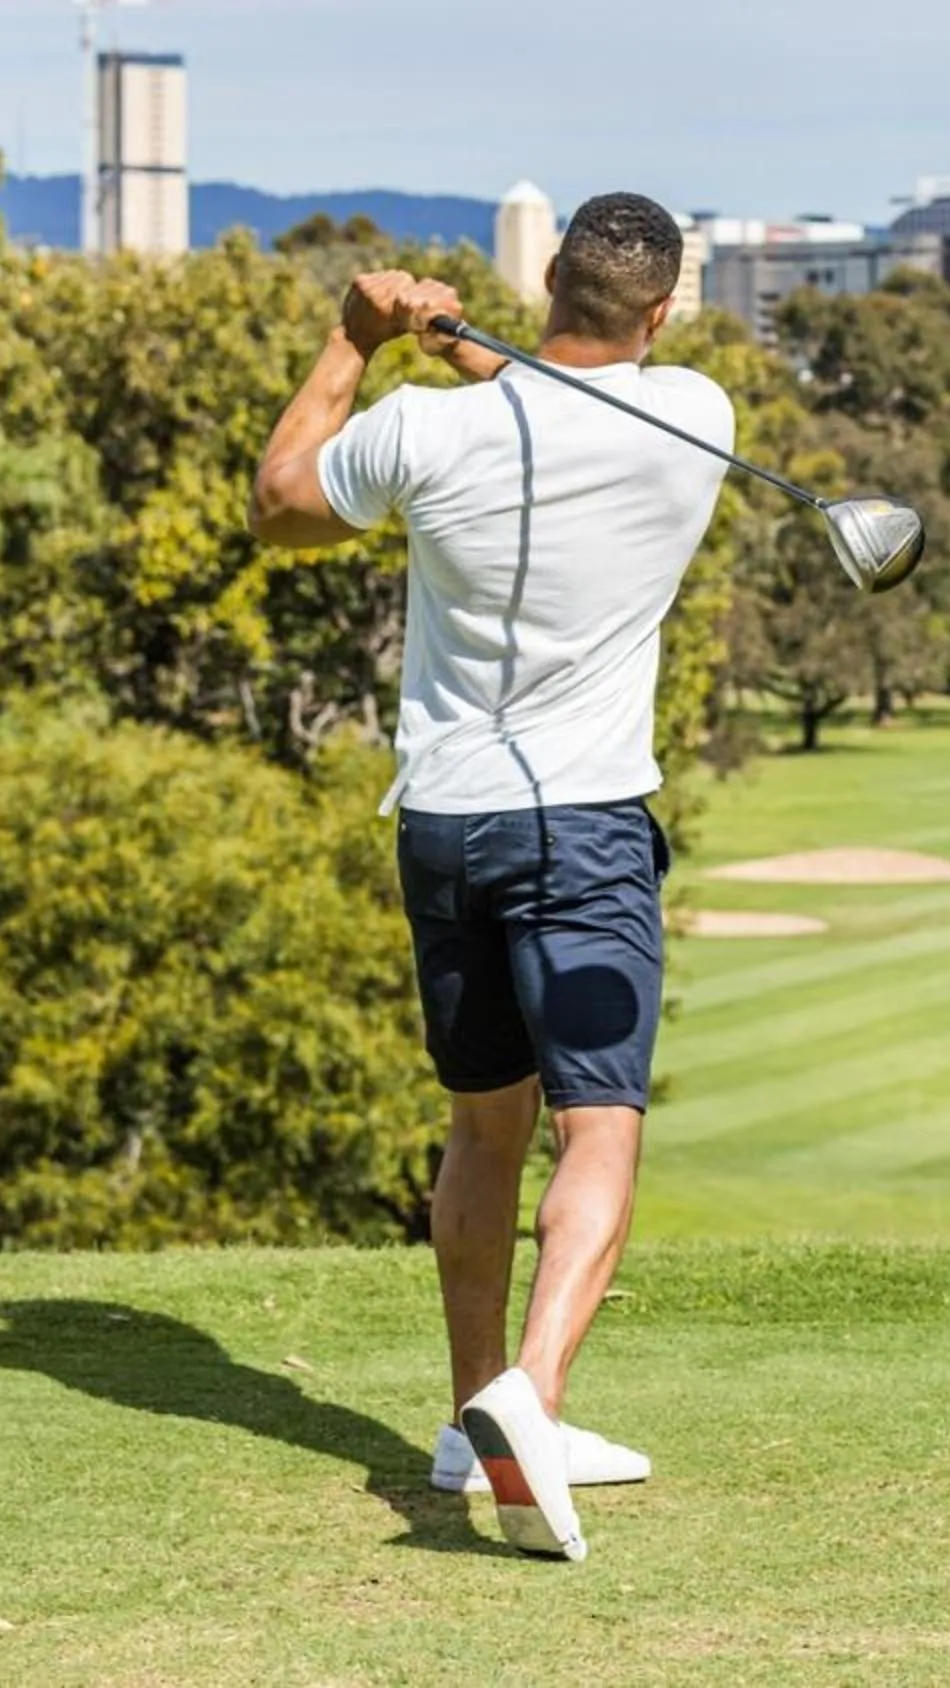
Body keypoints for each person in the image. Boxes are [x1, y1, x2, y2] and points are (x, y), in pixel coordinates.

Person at [248, 192, 731, 1562]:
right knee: (603, 1129)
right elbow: (581, 398)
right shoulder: (698, 421)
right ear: (660, 311)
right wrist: (465, 344)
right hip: (584, 829)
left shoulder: (420, 428)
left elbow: (279, 505)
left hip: (445, 827)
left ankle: (476, 1418)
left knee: (484, 1130)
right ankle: (534, 1398)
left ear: (550, 283)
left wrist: (357, 341)